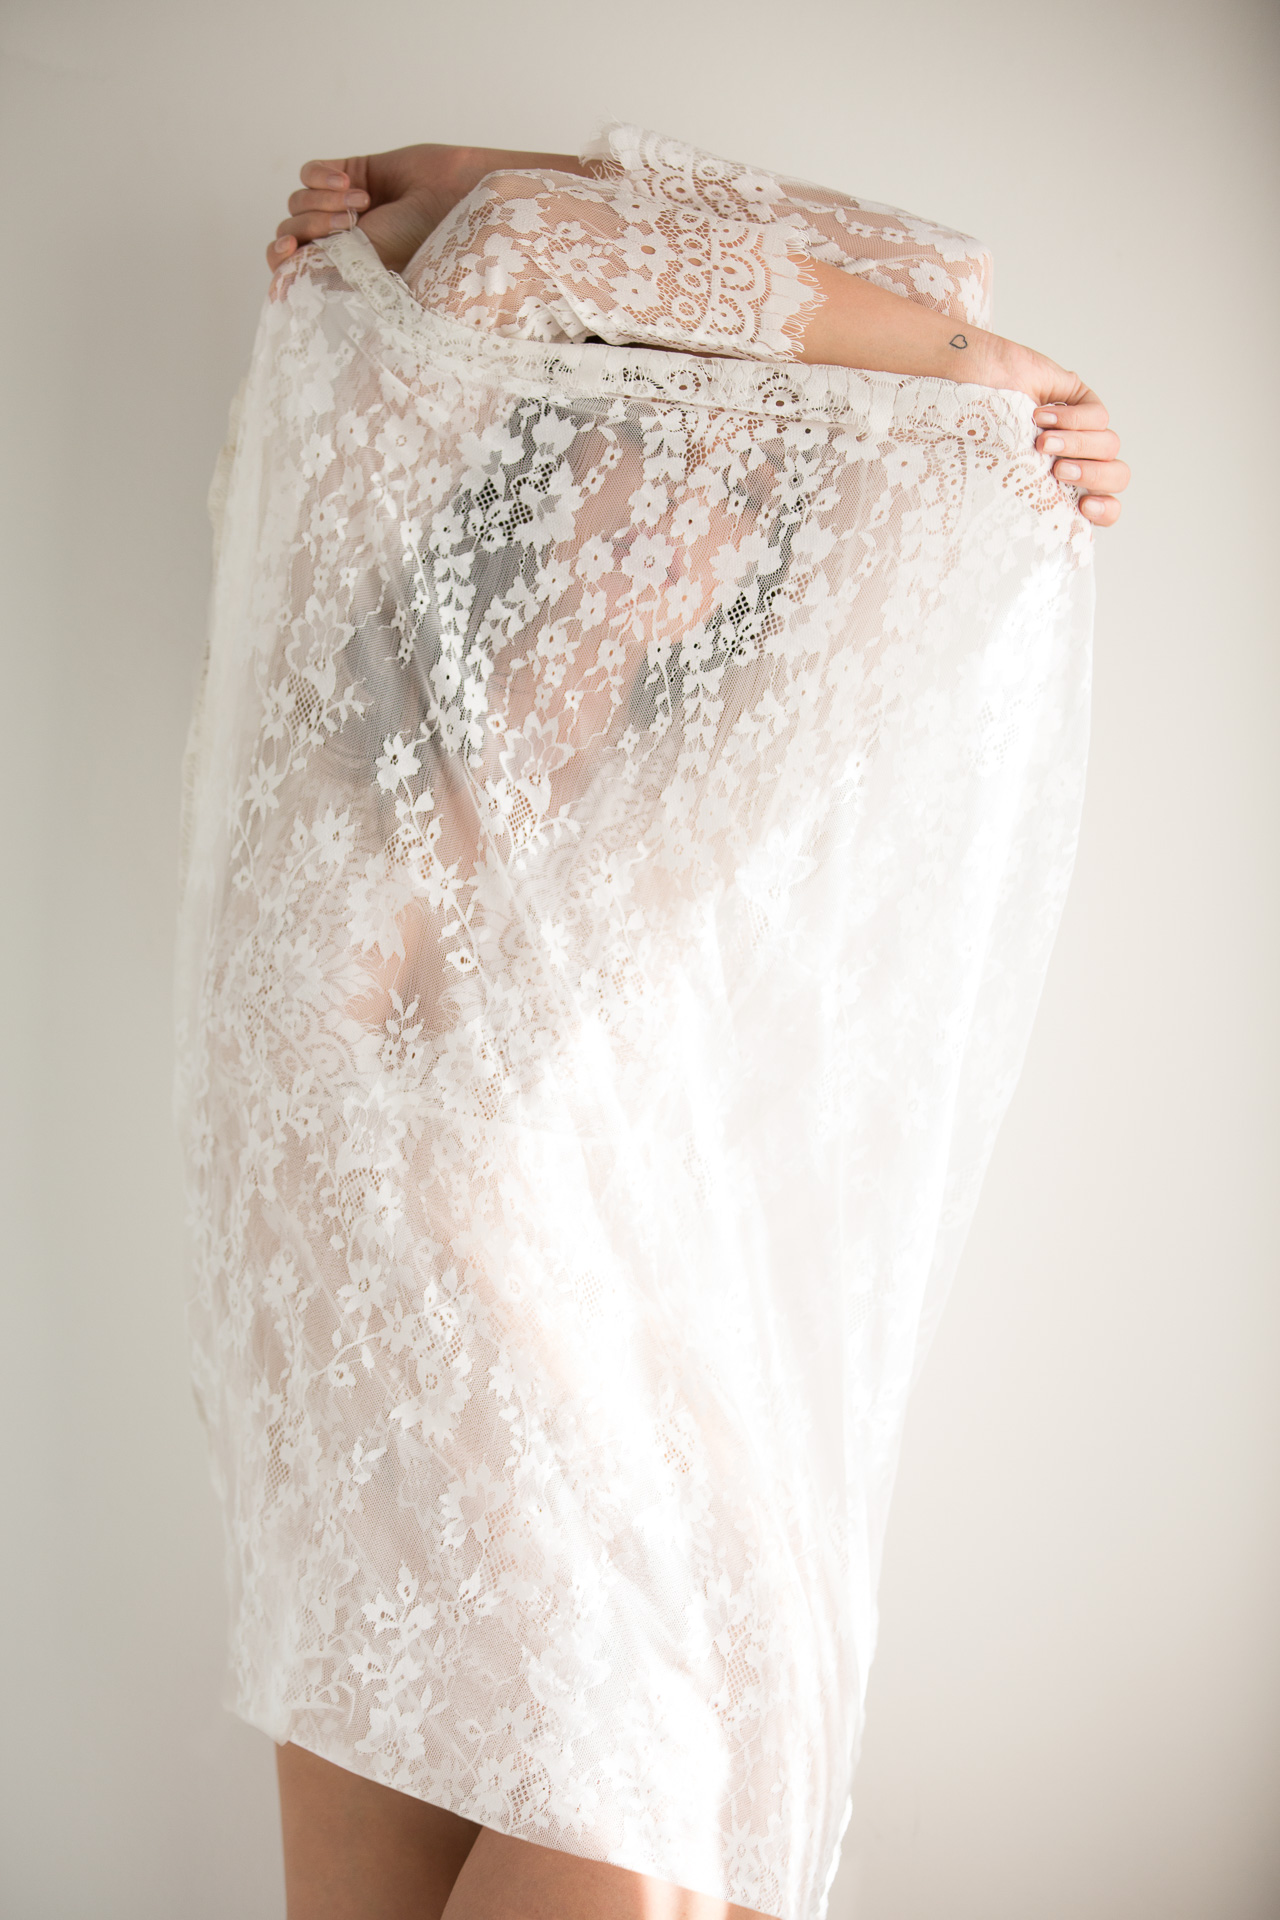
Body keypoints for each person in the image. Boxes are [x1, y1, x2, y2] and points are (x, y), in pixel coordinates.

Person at [178, 127, 1125, 1920]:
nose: (698, 495)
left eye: (745, 488)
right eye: (656, 436)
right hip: (399, 1468)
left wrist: (981, 374)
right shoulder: (354, 645)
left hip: (569, 1474)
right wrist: (461, 179)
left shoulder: (662, 802)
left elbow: (948, 277)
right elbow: (536, 245)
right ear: (547, 444)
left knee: (683, 1826)